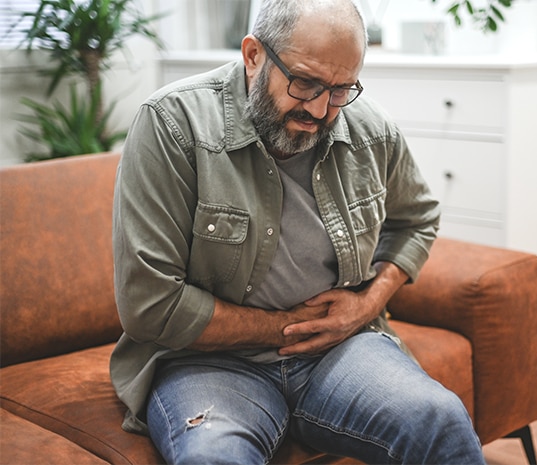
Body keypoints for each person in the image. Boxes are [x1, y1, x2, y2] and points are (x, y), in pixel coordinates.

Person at [110, 0, 486, 463]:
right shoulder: (173, 125)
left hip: (340, 352)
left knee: (440, 419)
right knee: (213, 456)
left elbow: (417, 220)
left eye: (340, 89)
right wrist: (291, 328)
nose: (321, 109)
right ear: (253, 56)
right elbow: (150, 304)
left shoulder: (369, 129)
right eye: (305, 82)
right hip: (206, 362)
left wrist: (365, 304)